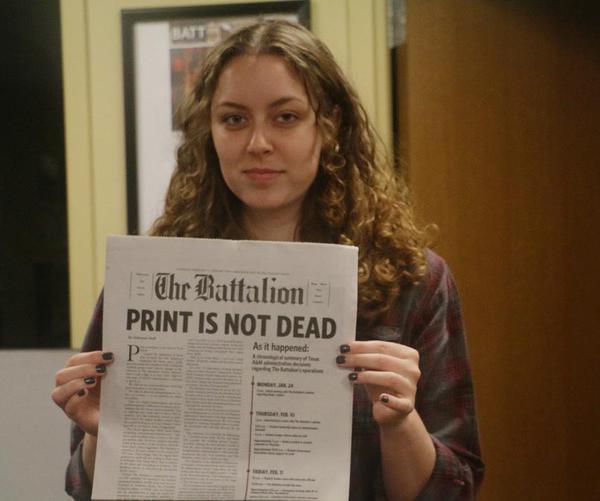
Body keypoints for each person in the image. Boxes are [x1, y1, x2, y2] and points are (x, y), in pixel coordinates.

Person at [52, 20, 484, 501]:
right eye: (234, 119)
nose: (258, 142)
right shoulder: (153, 278)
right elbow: (85, 486)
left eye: (286, 117)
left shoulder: (412, 280)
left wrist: (400, 422)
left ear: (329, 124)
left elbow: (453, 489)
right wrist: (101, 429)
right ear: (210, 131)